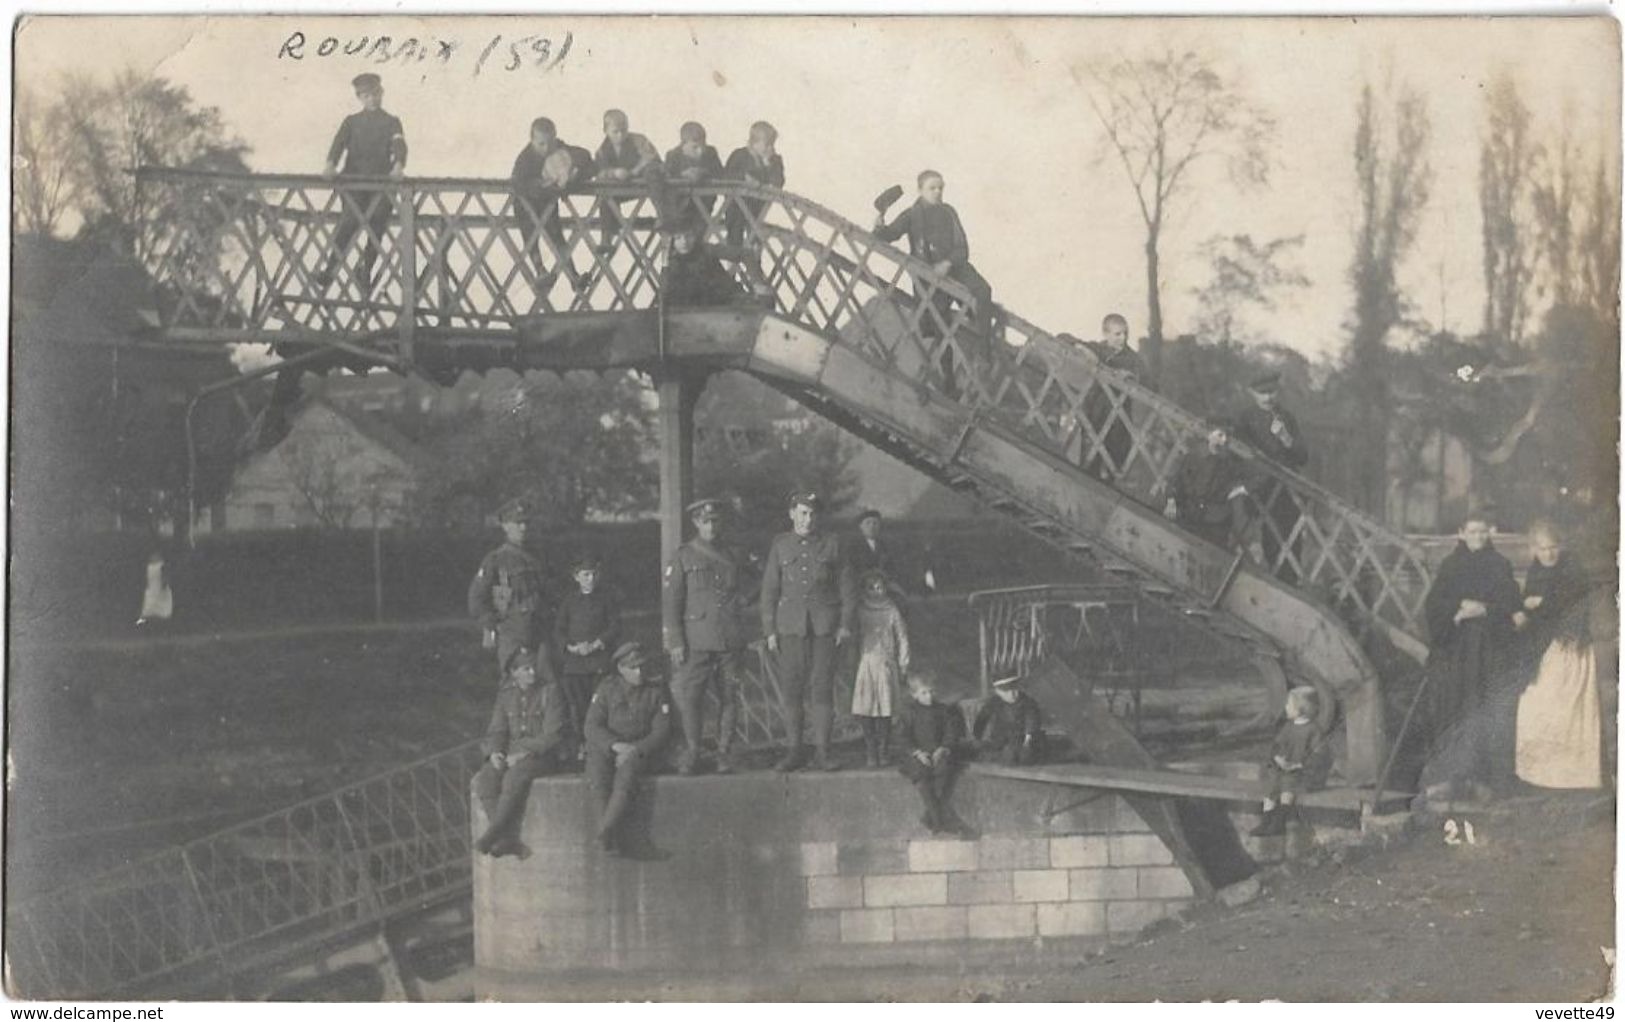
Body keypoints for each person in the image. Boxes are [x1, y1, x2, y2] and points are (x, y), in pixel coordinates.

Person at [1420, 513, 1525, 801]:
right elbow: (1434, 604)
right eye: (1472, 531)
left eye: (1482, 532)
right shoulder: (1451, 565)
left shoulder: (1499, 565)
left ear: (1489, 534)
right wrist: (1457, 606)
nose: (1477, 537)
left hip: (1488, 650)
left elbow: (1512, 606)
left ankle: (1483, 780)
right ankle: (1450, 777)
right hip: (1455, 650)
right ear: (1461, 533)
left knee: (1482, 707)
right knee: (1452, 706)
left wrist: (1485, 610)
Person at [873, 170, 994, 400]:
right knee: (941, 324)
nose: (938, 192)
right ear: (920, 190)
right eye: (932, 188)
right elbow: (888, 236)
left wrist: (948, 262)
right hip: (927, 275)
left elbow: (962, 246)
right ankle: (949, 382)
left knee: (983, 291)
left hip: (955, 267)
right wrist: (879, 225)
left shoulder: (949, 213)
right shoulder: (911, 215)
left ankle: (984, 354)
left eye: (940, 187)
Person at [761, 490, 857, 772]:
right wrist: (769, 629)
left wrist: (845, 625)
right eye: (802, 513)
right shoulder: (780, 545)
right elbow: (769, 590)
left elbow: (847, 589)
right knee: (792, 690)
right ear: (792, 514)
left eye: (813, 513)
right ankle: (794, 751)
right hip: (790, 627)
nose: (808, 519)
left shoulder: (832, 544)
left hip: (825, 627)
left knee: (822, 689)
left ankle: (823, 752)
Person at [663, 498, 752, 776]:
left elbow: (759, 583)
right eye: (706, 521)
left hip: (729, 638)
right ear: (696, 523)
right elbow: (672, 602)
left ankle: (723, 753)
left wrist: (744, 603)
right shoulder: (684, 556)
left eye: (716, 521)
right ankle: (693, 751)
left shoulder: (734, 554)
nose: (711, 526)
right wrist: (676, 640)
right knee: (691, 697)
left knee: (730, 696)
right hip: (696, 640)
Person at [1514, 523, 1601, 789]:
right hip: (1541, 646)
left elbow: (1574, 601)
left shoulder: (1572, 571)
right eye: (1542, 549)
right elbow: (1529, 604)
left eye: (1553, 548)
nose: (1548, 554)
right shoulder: (1536, 571)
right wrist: (1524, 611)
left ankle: (1572, 777)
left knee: (1566, 709)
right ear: (1533, 550)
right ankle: (1539, 774)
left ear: (1560, 548)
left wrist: (1542, 603)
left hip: (1568, 646)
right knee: (1536, 705)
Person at [472, 646, 568, 857]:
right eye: (526, 669)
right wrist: (495, 752)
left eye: (533, 668)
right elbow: (497, 730)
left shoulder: (550, 692)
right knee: (486, 779)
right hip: (511, 755)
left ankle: (493, 834)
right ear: (514, 673)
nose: (532, 673)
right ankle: (507, 840)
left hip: (542, 756)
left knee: (514, 777)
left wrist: (524, 752)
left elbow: (553, 734)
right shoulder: (506, 695)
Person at [317, 73, 408, 295]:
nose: (372, 99)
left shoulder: (391, 121)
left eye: (376, 94)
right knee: (348, 223)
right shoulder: (352, 122)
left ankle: (365, 269)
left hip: (381, 182)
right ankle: (329, 269)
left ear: (382, 93)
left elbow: (399, 145)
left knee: (377, 225)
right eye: (367, 96)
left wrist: (398, 165)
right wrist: (330, 164)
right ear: (360, 97)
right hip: (354, 181)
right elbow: (338, 144)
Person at [584, 641, 673, 858]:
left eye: (642, 666)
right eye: (633, 668)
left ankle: (605, 832)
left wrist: (635, 749)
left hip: (640, 751)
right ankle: (607, 835)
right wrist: (614, 746)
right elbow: (591, 725)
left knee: (627, 772)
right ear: (621, 669)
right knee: (597, 770)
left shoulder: (656, 690)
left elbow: (662, 730)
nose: (640, 672)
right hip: (611, 746)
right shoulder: (607, 688)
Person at [1231, 371, 1310, 584]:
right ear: (1252, 393)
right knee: (1260, 542)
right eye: (1262, 393)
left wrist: (1286, 438)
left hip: (1286, 492)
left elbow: (1303, 457)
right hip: (1257, 490)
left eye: (1272, 392)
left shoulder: (1287, 418)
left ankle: (1289, 586)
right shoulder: (1245, 419)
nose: (1268, 398)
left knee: (1290, 541)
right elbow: (1239, 454)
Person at [467, 498, 552, 684]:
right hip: (513, 635)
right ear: (505, 526)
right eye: (517, 523)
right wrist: (494, 624)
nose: (523, 528)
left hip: (541, 632)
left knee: (547, 687)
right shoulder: (496, 559)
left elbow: (549, 593)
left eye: (526, 523)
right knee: (514, 686)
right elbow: (476, 599)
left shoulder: (539, 556)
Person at [510, 116, 587, 293]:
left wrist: (574, 169)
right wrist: (539, 184)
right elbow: (517, 182)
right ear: (532, 140)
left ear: (555, 137)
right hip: (526, 205)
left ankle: (573, 276)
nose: (546, 149)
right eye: (541, 144)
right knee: (531, 237)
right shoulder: (525, 158)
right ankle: (539, 270)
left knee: (557, 237)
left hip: (547, 204)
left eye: (550, 143)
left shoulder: (557, 147)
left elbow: (583, 154)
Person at [553, 550, 620, 750]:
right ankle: (582, 745)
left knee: (600, 705)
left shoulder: (607, 599)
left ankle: (602, 744)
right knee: (579, 707)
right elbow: (559, 630)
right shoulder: (569, 602)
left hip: (599, 661)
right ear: (576, 577)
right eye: (585, 575)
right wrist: (571, 647)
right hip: (576, 665)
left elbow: (615, 626)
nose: (590, 579)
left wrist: (598, 643)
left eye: (593, 574)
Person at [895, 671, 973, 837]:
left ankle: (929, 817)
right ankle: (939, 819)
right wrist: (917, 752)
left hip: (938, 751)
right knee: (922, 774)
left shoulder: (942, 710)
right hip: (916, 754)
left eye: (931, 692)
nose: (929, 696)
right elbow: (902, 737)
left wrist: (943, 747)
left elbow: (950, 732)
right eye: (924, 693)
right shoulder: (909, 712)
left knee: (944, 770)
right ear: (914, 694)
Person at [1081, 313, 1149, 484]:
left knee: (1116, 464)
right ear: (1105, 334)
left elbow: (1147, 379)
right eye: (1117, 334)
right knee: (1090, 463)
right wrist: (1083, 350)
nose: (1123, 338)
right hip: (1095, 413)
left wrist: (1133, 377)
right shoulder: (1098, 349)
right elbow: (1063, 338)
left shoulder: (1132, 358)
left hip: (1119, 419)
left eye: (1125, 333)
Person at [852, 569, 910, 768]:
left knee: (885, 708)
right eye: (871, 587)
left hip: (886, 663)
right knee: (866, 708)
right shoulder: (860, 610)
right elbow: (854, 635)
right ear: (865, 589)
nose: (876, 591)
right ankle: (871, 750)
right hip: (866, 662)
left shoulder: (892, 610)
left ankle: (884, 749)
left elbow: (902, 637)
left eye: (880, 587)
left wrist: (903, 663)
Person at [1164, 422, 1251, 551]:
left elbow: (1255, 475)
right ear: (1209, 435)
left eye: (1227, 437)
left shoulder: (1228, 465)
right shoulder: (1192, 456)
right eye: (1220, 435)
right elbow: (1174, 480)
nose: (1224, 440)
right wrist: (1171, 501)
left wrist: (1241, 489)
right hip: (1187, 511)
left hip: (1211, 519)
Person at [1249, 686, 1323, 837]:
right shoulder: (1288, 727)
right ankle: (1266, 822)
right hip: (1284, 767)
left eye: (1289, 705)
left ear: (1301, 708)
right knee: (1271, 787)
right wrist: (1278, 757)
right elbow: (1277, 745)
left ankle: (1279, 823)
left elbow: (1319, 754)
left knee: (1288, 788)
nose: (1286, 707)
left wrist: (1299, 764)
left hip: (1301, 771)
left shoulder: (1313, 730)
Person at [593, 109, 663, 254]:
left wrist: (635, 171)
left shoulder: (639, 140)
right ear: (605, 130)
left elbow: (651, 157)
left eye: (624, 130)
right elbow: (599, 171)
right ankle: (606, 236)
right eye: (615, 131)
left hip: (644, 184)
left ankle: (663, 217)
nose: (620, 135)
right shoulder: (602, 150)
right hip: (619, 189)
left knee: (655, 176)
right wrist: (613, 173)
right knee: (604, 197)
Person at [722, 120, 785, 248]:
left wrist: (768, 164)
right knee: (734, 236)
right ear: (753, 143)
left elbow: (778, 183)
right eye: (767, 145)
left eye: (773, 144)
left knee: (756, 239)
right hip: (736, 204)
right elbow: (727, 176)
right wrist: (744, 179)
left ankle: (753, 264)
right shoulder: (739, 155)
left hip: (757, 208)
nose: (771, 148)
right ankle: (733, 263)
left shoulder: (775, 161)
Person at [972, 674, 1047, 766]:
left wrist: (1027, 742)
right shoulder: (994, 702)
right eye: (1006, 691)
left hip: (1023, 741)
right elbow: (982, 719)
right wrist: (977, 737)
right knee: (990, 754)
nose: (1012, 694)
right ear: (998, 692)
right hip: (1000, 740)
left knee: (1018, 756)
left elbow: (1032, 722)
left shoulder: (1028, 703)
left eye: (1015, 689)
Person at [664, 121, 725, 224]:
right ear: (684, 144)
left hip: (705, 204)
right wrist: (682, 175)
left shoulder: (710, 152)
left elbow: (721, 174)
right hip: (681, 205)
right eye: (695, 146)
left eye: (703, 145)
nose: (700, 149)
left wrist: (703, 171)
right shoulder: (673, 155)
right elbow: (666, 177)